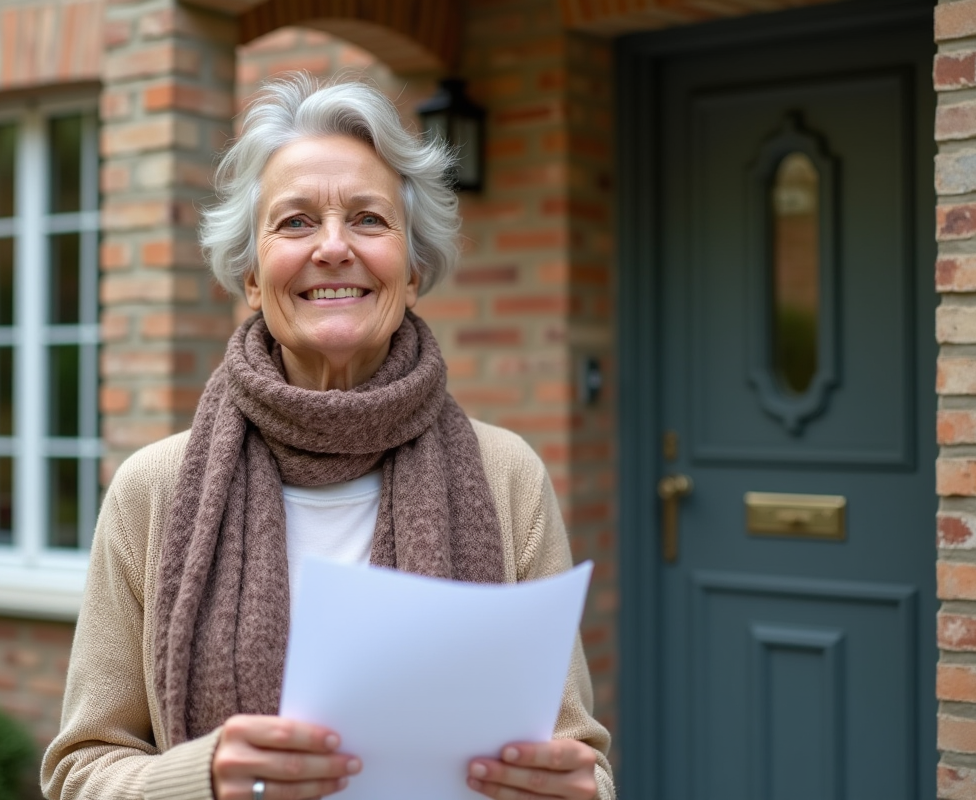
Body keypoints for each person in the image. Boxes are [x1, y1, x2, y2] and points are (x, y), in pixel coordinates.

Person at [41, 74, 615, 800]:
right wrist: (203, 780)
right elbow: (79, 770)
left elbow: (577, 754)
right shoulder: (154, 488)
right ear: (251, 275)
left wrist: (576, 788)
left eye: (370, 220)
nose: (334, 246)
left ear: (412, 271)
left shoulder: (508, 476)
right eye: (295, 222)